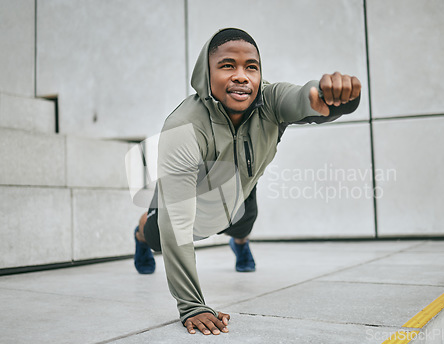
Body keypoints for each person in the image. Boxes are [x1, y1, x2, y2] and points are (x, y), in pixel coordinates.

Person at [133, 28, 361, 335]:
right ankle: (140, 231)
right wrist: (192, 305)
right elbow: (177, 224)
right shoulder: (182, 126)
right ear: (206, 73)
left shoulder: (270, 101)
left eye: (250, 67)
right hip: (190, 195)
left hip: (241, 191)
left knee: (243, 224)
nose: (242, 76)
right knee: (158, 235)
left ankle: (240, 245)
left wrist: (333, 99)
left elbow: (303, 99)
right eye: (228, 65)